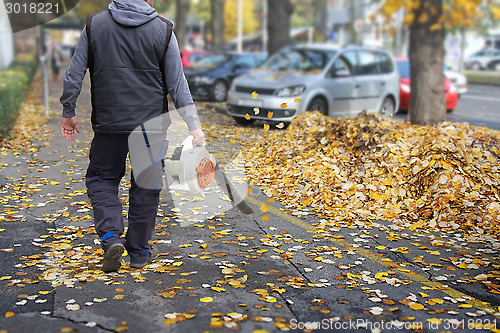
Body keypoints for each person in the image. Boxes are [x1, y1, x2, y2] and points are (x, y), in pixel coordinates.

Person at [60, 0, 205, 273]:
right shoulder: (163, 30)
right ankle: (139, 252)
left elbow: (74, 73)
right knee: (146, 186)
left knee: (102, 180)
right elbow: (177, 82)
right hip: (150, 127)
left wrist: (69, 110)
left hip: (108, 124)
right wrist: (192, 125)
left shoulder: (95, 25)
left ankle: (111, 237)